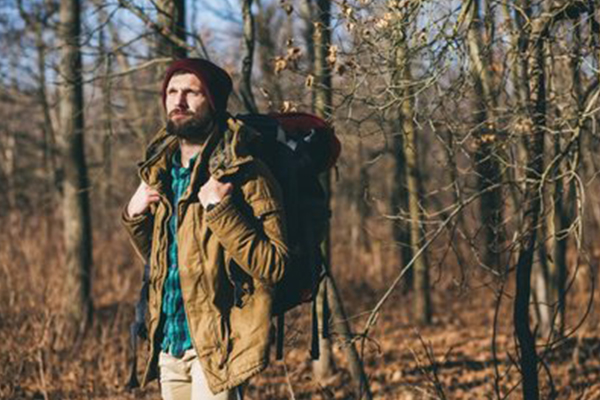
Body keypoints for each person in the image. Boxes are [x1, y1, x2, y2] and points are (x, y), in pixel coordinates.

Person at [122, 58, 289, 400]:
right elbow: (169, 260)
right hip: (168, 344)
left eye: (191, 93)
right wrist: (135, 217)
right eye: (171, 92)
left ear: (212, 102)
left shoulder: (246, 173)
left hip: (218, 345)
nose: (178, 101)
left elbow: (275, 266)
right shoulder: (160, 173)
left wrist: (220, 210)